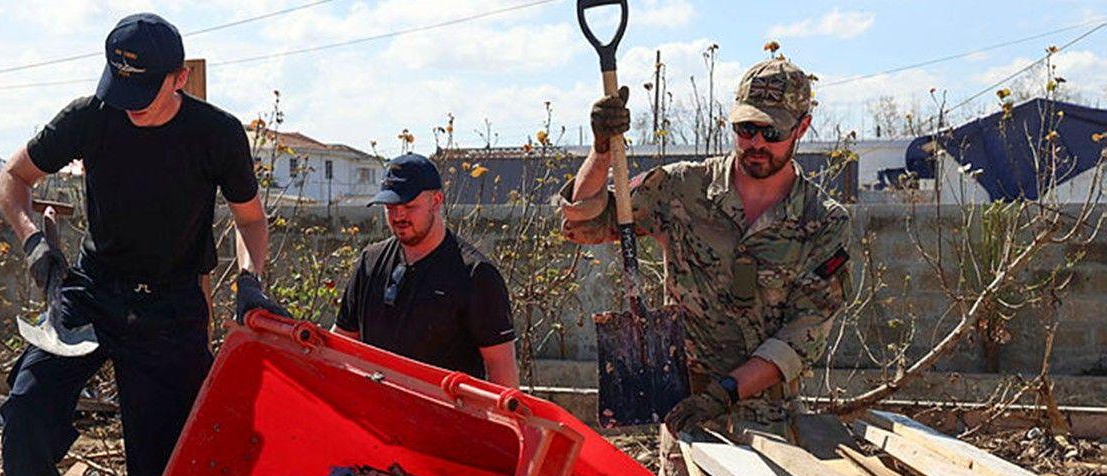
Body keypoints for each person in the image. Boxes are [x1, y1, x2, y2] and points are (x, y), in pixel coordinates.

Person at [0, 13, 285, 476]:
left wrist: (250, 280)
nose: (131, 104)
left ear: (177, 77)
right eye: (119, 87)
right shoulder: (91, 117)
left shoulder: (217, 134)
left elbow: (250, 221)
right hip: (92, 292)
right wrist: (34, 244)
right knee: (28, 406)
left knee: (164, 461)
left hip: (171, 308)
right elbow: (11, 178)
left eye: (143, 91)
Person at [559, 57, 852, 442]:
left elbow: (803, 334)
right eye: (746, 129)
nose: (757, 143)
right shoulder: (682, 188)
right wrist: (600, 153)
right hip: (686, 416)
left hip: (769, 422)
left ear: (802, 127)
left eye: (772, 130)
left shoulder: (823, 222)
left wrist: (723, 394)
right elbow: (584, 224)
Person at [333, 154, 520, 388]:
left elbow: (501, 371)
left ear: (436, 200)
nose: (399, 216)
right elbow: (340, 347)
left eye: (409, 206)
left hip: (445, 419)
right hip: (378, 415)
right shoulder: (370, 263)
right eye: (391, 207)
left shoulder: (475, 275)